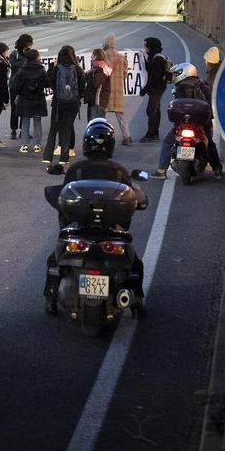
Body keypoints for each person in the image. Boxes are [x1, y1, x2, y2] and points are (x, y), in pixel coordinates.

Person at [42, 119, 148, 313]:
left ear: (86, 143)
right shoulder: (119, 171)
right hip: (112, 232)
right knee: (135, 265)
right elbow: (138, 200)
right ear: (111, 144)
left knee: (54, 261)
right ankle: (137, 301)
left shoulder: (76, 169)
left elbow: (62, 198)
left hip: (80, 230)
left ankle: (50, 298)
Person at [154, 63, 223, 180]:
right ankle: (217, 170)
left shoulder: (181, 87)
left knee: (167, 142)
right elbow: (211, 103)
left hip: (182, 124)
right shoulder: (203, 85)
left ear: (184, 73)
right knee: (210, 144)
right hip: (201, 123)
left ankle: (161, 170)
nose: (175, 76)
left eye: (177, 73)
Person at [43, 45, 85, 165]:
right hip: (72, 104)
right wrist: (78, 96)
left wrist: (53, 66)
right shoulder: (77, 69)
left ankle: (47, 156)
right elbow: (82, 86)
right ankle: (63, 158)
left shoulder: (57, 68)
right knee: (66, 129)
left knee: (53, 129)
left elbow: (50, 84)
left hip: (58, 103)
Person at [9, 48, 47, 154]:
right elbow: (47, 83)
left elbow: (15, 85)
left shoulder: (22, 70)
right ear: (37, 57)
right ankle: (37, 144)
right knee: (37, 121)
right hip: (38, 98)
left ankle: (24, 145)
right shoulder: (41, 69)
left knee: (25, 121)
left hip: (24, 99)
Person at [139, 37, 170, 142]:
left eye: (146, 46)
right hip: (157, 87)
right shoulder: (154, 57)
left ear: (151, 46)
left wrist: (145, 90)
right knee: (155, 110)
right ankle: (154, 133)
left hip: (157, 88)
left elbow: (154, 78)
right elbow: (150, 69)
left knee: (151, 110)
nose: (145, 48)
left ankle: (151, 134)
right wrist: (143, 57)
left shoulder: (157, 59)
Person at [103, 33, 132, 146]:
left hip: (105, 90)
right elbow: (125, 74)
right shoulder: (121, 57)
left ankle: (102, 135)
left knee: (102, 114)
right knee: (121, 115)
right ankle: (127, 137)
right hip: (118, 90)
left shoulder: (103, 56)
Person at [8, 34, 34, 139]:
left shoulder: (30, 53)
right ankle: (13, 129)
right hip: (14, 84)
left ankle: (24, 130)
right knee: (14, 108)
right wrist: (25, 57)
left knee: (25, 108)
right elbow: (14, 66)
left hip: (26, 85)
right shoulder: (14, 54)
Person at [85, 48, 112, 122]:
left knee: (95, 125)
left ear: (96, 57)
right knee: (96, 124)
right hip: (99, 101)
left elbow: (95, 83)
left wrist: (87, 75)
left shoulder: (100, 69)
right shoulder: (100, 68)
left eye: (92, 56)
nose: (91, 57)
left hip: (97, 101)